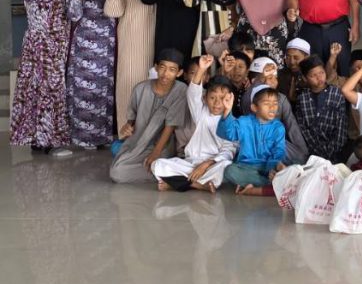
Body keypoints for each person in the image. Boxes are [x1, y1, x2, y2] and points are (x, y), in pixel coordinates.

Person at [11, 0, 72, 156]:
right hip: (40, 47)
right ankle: (49, 141)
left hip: (59, 46)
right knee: (45, 91)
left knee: (49, 91)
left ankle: (41, 140)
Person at [151, 55, 236, 192]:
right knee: (157, 165)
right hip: (191, 163)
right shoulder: (201, 113)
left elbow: (228, 151)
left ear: (230, 99)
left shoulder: (233, 123)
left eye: (222, 98)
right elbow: (193, 94)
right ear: (205, 98)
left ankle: (179, 183)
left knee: (226, 166)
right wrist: (201, 69)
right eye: (212, 98)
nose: (217, 103)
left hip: (213, 165)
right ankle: (198, 185)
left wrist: (206, 164)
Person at [110, 48, 188, 183]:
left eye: (172, 70)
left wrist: (156, 153)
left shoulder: (180, 90)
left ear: (179, 73)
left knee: (118, 172)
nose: (166, 74)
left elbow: (170, 126)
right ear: (156, 67)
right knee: (116, 157)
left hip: (162, 145)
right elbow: (131, 119)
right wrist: (127, 126)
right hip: (139, 140)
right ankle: (166, 171)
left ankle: (169, 172)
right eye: (162, 68)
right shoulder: (140, 89)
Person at [65, 0, 117, 149]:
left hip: (106, 48)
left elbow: (117, 12)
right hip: (82, 49)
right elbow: (73, 15)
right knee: (82, 91)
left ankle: (103, 137)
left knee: (102, 92)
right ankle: (82, 138)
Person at [104, 0, 157, 132]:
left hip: (152, 38)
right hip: (130, 38)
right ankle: (125, 132)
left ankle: (147, 134)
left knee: (150, 84)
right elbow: (113, 11)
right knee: (128, 83)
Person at [217, 84, 287, 196]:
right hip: (246, 166)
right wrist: (227, 111)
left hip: (268, 166)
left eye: (275, 103)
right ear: (254, 107)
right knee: (229, 171)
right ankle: (270, 185)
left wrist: (272, 168)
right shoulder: (244, 122)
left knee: (285, 169)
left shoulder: (278, 127)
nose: (272, 107)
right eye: (267, 104)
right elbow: (227, 134)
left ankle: (255, 183)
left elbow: (278, 151)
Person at [240, 57, 309, 165]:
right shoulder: (279, 99)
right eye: (269, 77)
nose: (274, 81)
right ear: (254, 81)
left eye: (275, 77)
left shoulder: (245, 96)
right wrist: (304, 155)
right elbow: (292, 128)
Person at [294, 52, 349, 162]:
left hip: (336, 151)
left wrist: (331, 150)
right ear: (305, 78)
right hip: (312, 153)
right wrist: (318, 151)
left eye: (321, 73)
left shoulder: (336, 93)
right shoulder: (302, 98)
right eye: (313, 75)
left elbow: (342, 125)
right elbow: (303, 128)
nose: (319, 77)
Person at [279, 37, 311, 103]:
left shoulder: (313, 76)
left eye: (296, 58)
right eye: (288, 57)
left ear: (306, 57)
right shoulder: (279, 75)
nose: (292, 62)